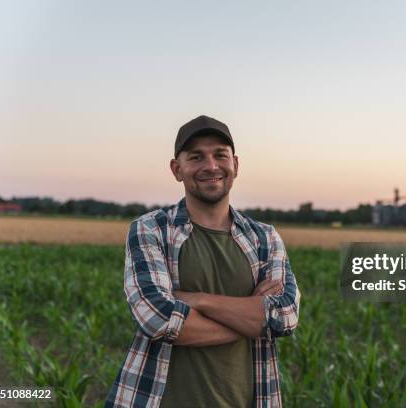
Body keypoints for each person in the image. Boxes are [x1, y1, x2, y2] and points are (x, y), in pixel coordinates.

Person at [105, 115, 301, 408]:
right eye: (196, 157)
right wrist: (253, 319)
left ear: (235, 164)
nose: (211, 166)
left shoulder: (265, 238)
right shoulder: (151, 229)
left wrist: (196, 301)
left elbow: (284, 317)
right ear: (177, 169)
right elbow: (157, 318)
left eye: (220, 155)